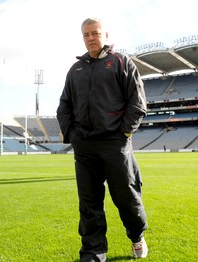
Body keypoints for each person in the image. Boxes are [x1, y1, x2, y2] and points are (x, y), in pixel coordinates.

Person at [56, 17, 148, 261]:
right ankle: (94, 252)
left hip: (114, 143)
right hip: (84, 146)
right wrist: (73, 135)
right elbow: (63, 106)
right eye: (86, 34)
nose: (90, 38)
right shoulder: (75, 70)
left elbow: (137, 103)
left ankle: (137, 235)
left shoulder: (121, 62)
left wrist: (123, 134)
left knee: (126, 197)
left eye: (95, 33)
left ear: (105, 35)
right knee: (89, 202)